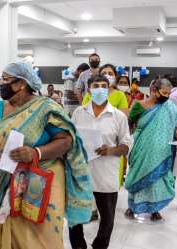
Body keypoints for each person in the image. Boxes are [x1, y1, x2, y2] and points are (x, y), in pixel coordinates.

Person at [0, 61, 93, 249]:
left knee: (41, 237)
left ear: (22, 83)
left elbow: (67, 141)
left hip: (42, 181)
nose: (0, 83)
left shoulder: (45, 108)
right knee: (8, 229)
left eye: (6, 79)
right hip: (4, 179)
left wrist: (35, 152)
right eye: (1, 79)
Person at [70, 74, 132, 249]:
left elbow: (126, 145)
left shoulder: (118, 116)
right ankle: (79, 246)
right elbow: (70, 138)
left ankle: (100, 245)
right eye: (95, 85)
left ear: (109, 88)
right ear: (89, 89)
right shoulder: (79, 112)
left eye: (103, 85)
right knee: (75, 216)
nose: (99, 89)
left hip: (106, 174)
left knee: (107, 218)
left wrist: (111, 150)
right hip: (81, 173)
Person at [124, 78, 177, 221]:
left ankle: (155, 209)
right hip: (141, 148)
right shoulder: (139, 106)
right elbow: (128, 125)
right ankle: (132, 206)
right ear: (154, 91)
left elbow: (172, 126)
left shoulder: (169, 107)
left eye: (169, 93)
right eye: (164, 93)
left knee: (158, 180)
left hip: (161, 150)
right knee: (137, 175)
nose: (167, 96)